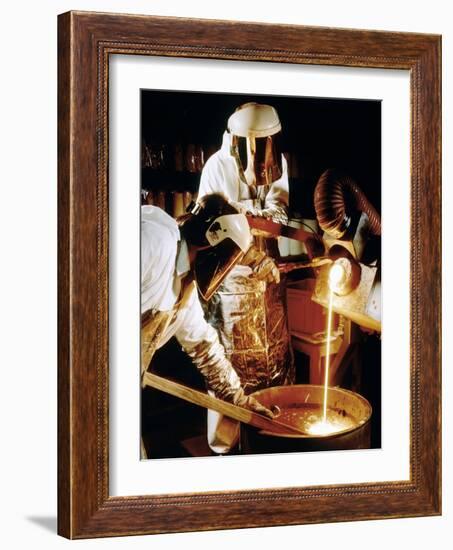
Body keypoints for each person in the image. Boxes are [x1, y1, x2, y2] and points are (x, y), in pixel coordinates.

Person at [140, 193, 273, 458]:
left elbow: (204, 346)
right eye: (229, 260)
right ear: (212, 243)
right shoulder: (154, 242)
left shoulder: (182, 287)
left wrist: (239, 400)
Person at [198, 103, 294, 453]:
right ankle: (226, 452)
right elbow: (214, 226)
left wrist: (249, 217)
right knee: (231, 371)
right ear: (238, 143)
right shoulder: (216, 167)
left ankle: (274, 441)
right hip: (232, 284)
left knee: (275, 364)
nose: (262, 158)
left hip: (269, 281)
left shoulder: (279, 163)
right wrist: (249, 224)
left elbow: (279, 210)